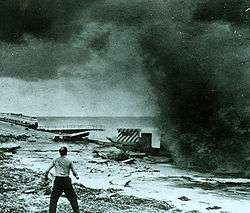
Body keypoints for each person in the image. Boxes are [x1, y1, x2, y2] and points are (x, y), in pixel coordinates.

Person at [44, 146, 80, 213]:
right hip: (66, 180)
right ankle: (77, 211)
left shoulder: (55, 160)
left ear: (59, 153)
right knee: (72, 198)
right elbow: (74, 172)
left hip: (58, 180)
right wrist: (77, 176)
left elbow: (47, 170)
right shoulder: (69, 161)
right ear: (66, 152)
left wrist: (46, 177)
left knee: (54, 199)